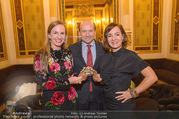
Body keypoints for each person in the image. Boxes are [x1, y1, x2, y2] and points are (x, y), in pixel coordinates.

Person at [93, 22, 158, 110]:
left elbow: (152, 77)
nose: (113, 38)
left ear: (122, 36)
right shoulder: (106, 57)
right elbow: (109, 81)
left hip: (122, 107)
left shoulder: (130, 56)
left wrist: (132, 93)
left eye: (117, 34)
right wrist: (99, 79)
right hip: (106, 105)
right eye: (110, 35)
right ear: (106, 39)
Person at [33, 20, 85, 110]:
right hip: (52, 102)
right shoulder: (41, 54)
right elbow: (43, 83)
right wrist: (69, 81)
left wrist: (79, 77)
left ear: (65, 36)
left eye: (62, 33)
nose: (59, 36)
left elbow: (70, 74)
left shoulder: (68, 52)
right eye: (55, 33)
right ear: (49, 35)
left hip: (71, 100)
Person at [68, 20, 106, 110]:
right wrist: (78, 77)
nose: (87, 34)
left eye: (90, 30)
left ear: (95, 32)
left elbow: (109, 71)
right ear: (79, 33)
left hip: (100, 95)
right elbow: (68, 72)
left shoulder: (104, 48)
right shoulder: (71, 49)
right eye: (84, 31)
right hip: (79, 96)